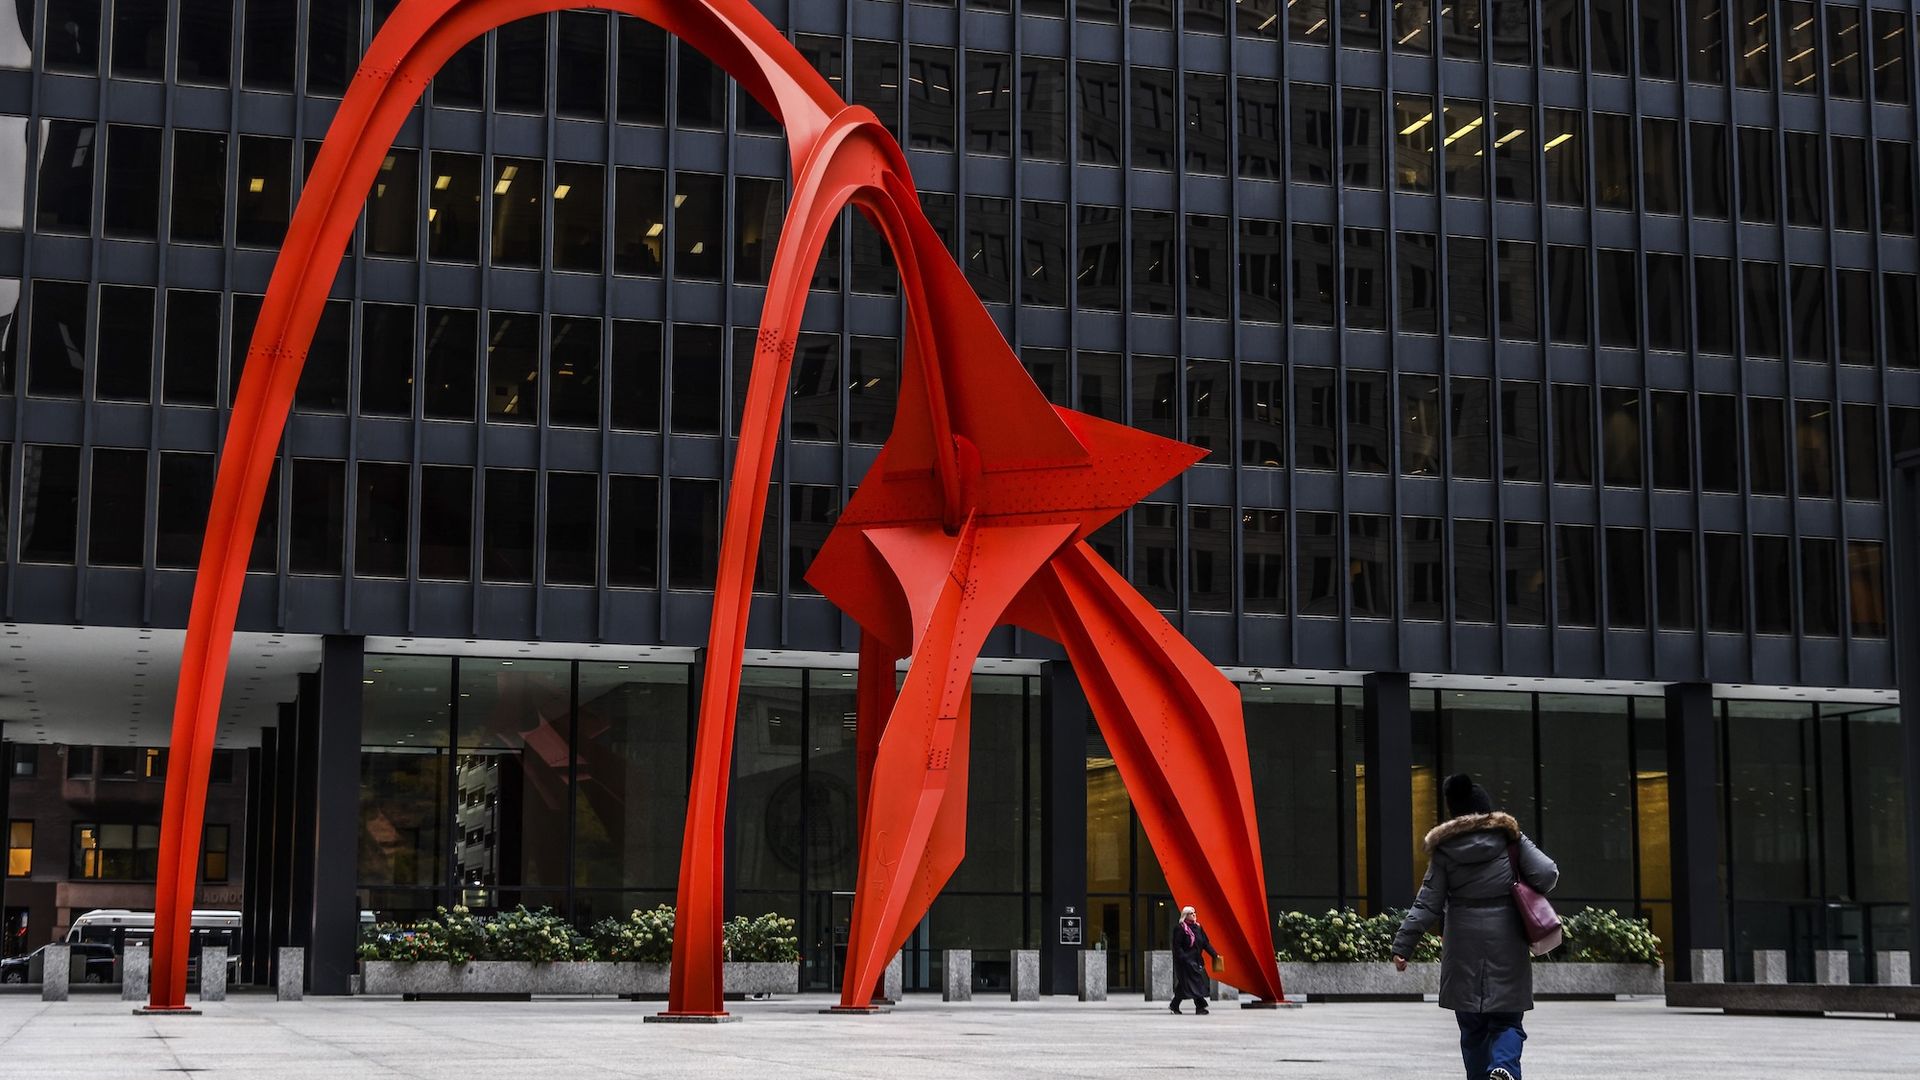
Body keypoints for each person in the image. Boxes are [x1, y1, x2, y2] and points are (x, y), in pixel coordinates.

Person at [1392, 773, 1559, 1080]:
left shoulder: (1444, 850)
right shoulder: (1510, 839)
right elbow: (1547, 874)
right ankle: (1504, 1067)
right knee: (1507, 1021)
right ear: (1487, 810)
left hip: (1462, 947)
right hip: (1506, 943)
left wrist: (1404, 944)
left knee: (1472, 1029)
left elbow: (1427, 903)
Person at [1168, 905, 1219, 1015]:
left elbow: (1205, 943)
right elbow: (1177, 946)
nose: (1194, 915)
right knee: (1195, 982)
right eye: (1191, 913)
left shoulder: (1198, 928)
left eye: (1194, 912)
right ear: (1185, 915)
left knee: (1185, 984)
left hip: (1196, 961)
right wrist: (1184, 958)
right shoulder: (1180, 928)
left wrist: (1215, 955)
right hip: (1185, 962)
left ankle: (1174, 1005)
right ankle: (1200, 1007)